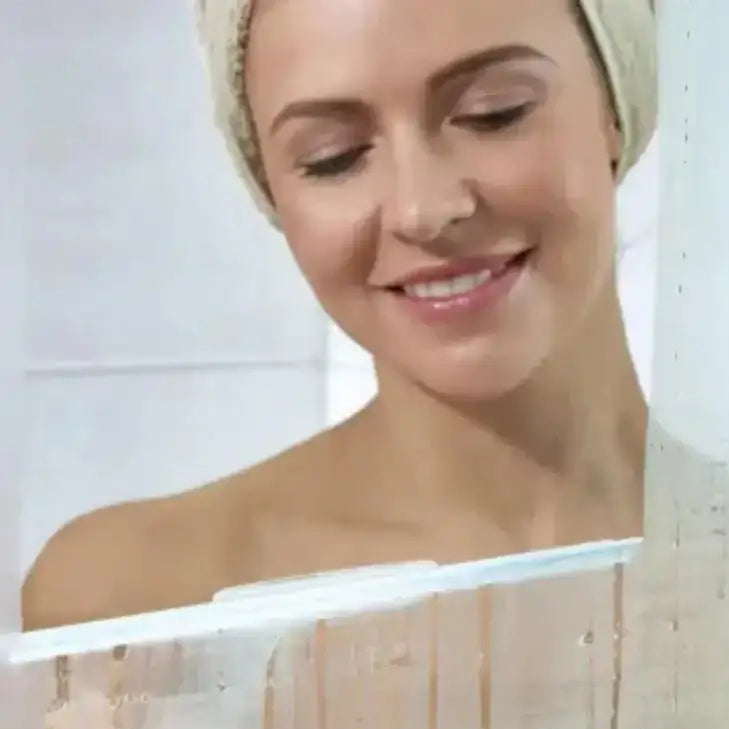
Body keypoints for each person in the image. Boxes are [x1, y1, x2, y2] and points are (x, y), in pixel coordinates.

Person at [20, 0, 657, 631]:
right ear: (272, 191)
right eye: (333, 156)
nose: (422, 209)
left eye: (494, 114)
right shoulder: (137, 599)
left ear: (614, 110)